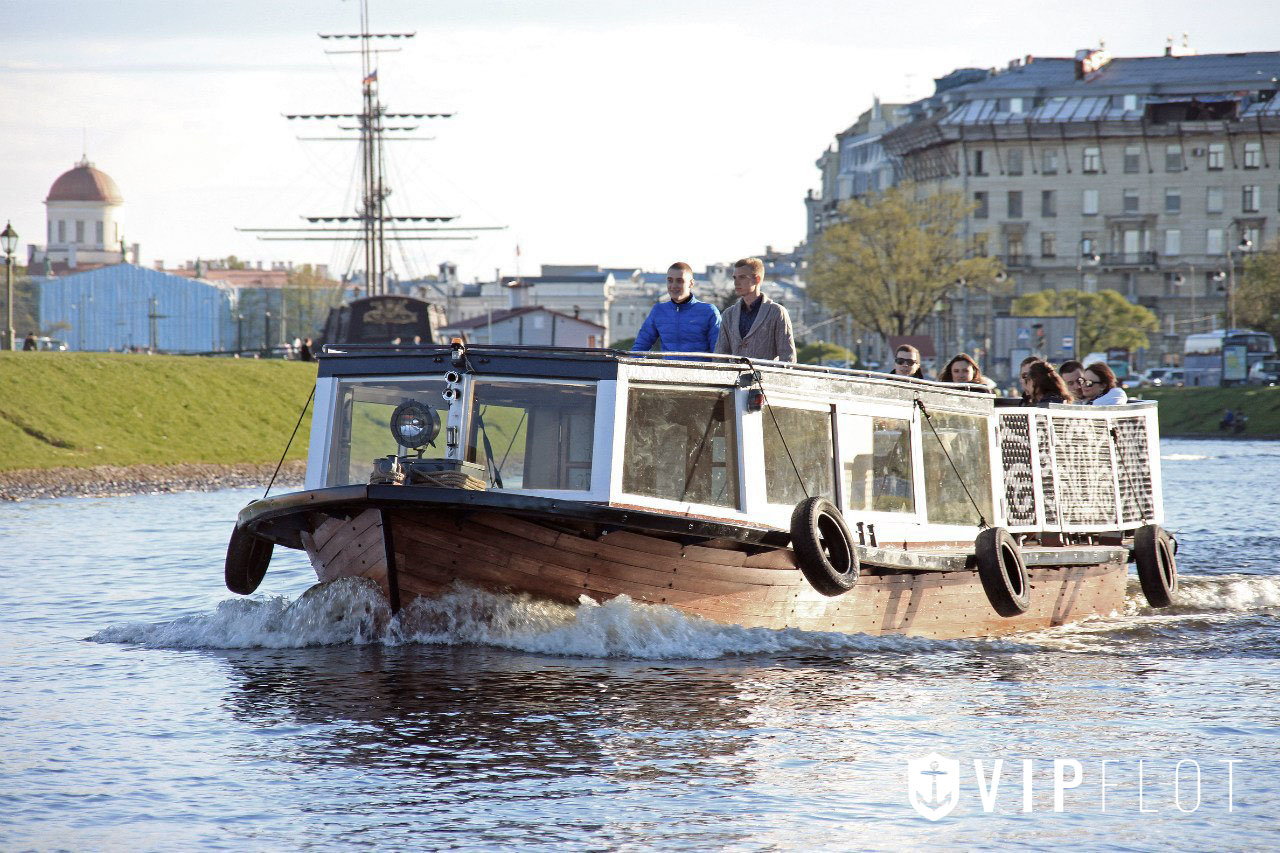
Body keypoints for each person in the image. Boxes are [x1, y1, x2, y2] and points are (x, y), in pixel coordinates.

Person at [714, 257, 796, 362]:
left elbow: (788, 357)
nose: (736, 283)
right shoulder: (728, 315)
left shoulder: (776, 312)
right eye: (735, 278)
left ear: (757, 279)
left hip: (766, 377)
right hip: (734, 377)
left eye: (742, 277)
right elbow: (720, 356)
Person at [632, 262, 721, 355]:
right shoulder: (658, 310)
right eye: (670, 280)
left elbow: (718, 352)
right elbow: (640, 347)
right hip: (668, 369)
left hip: (699, 369)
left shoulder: (709, 312)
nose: (674, 285)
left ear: (691, 283)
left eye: (679, 281)